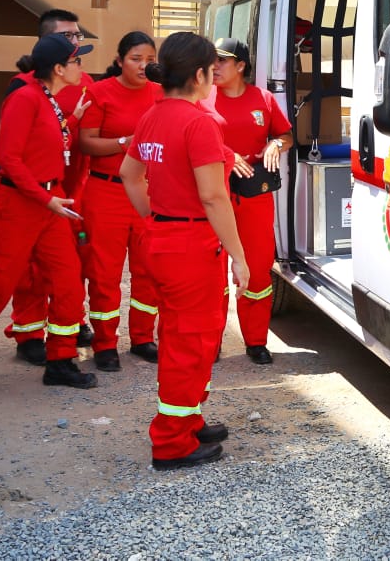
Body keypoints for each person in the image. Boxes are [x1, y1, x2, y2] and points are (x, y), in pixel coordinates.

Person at [0, 34, 98, 395]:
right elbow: (8, 159)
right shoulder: (25, 98)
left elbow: (49, 144)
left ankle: (60, 361)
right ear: (58, 69)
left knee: (68, 284)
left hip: (49, 202)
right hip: (21, 206)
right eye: (76, 61)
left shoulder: (48, 100)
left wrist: (72, 119)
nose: (81, 67)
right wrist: (47, 200)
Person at [121, 32, 249, 469]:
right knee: (189, 343)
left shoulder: (152, 115)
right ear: (199, 75)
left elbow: (128, 174)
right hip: (192, 246)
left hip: (163, 240)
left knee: (183, 336)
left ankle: (188, 418)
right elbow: (214, 197)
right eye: (212, 72)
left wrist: (155, 217)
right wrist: (240, 255)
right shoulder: (199, 124)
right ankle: (172, 442)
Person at [2, 9, 96, 364]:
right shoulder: (24, 86)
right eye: (68, 37)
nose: (75, 43)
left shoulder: (83, 82)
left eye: (77, 37)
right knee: (29, 268)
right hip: (38, 191)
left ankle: (70, 324)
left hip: (73, 187)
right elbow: (11, 152)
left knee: (73, 265)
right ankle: (27, 331)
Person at [78, 31, 161, 371]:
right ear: (119, 61)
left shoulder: (161, 94)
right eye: (136, 59)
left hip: (147, 191)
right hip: (106, 192)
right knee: (104, 272)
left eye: (150, 60)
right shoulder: (100, 93)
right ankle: (105, 344)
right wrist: (127, 141)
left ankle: (142, 338)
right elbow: (86, 143)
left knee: (148, 270)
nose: (144, 66)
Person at [207, 38, 291, 364]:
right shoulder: (204, 100)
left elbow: (286, 135)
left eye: (221, 60)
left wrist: (275, 145)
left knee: (257, 270)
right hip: (215, 194)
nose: (214, 66)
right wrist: (228, 155)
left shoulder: (263, 99)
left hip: (255, 197)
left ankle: (256, 341)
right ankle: (211, 342)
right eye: (211, 60)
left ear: (240, 65)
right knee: (212, 275)